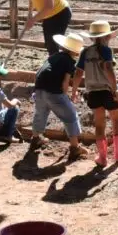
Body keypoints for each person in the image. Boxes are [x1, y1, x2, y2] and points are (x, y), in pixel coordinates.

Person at [72, 20, 118, 166]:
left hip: (93, 93)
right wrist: (115, 90)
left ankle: (102, 157)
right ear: (107, 37)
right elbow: (109, 69)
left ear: (92, 38)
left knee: (99, 125)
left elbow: (78, 73)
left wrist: (73, 91)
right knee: (116, 121)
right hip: (108, 91)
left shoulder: (85, 52)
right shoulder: (106, 51)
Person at [30, 33, 88, 161]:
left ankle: (36, 138)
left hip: (39, 90)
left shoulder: (54, 56)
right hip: (54, 93)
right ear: (75, 52)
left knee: (40, 113)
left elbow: (39, 72)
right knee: (70, 116)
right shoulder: (69, 61)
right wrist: (65, 95)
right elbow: (65, 81)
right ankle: (75, 148)